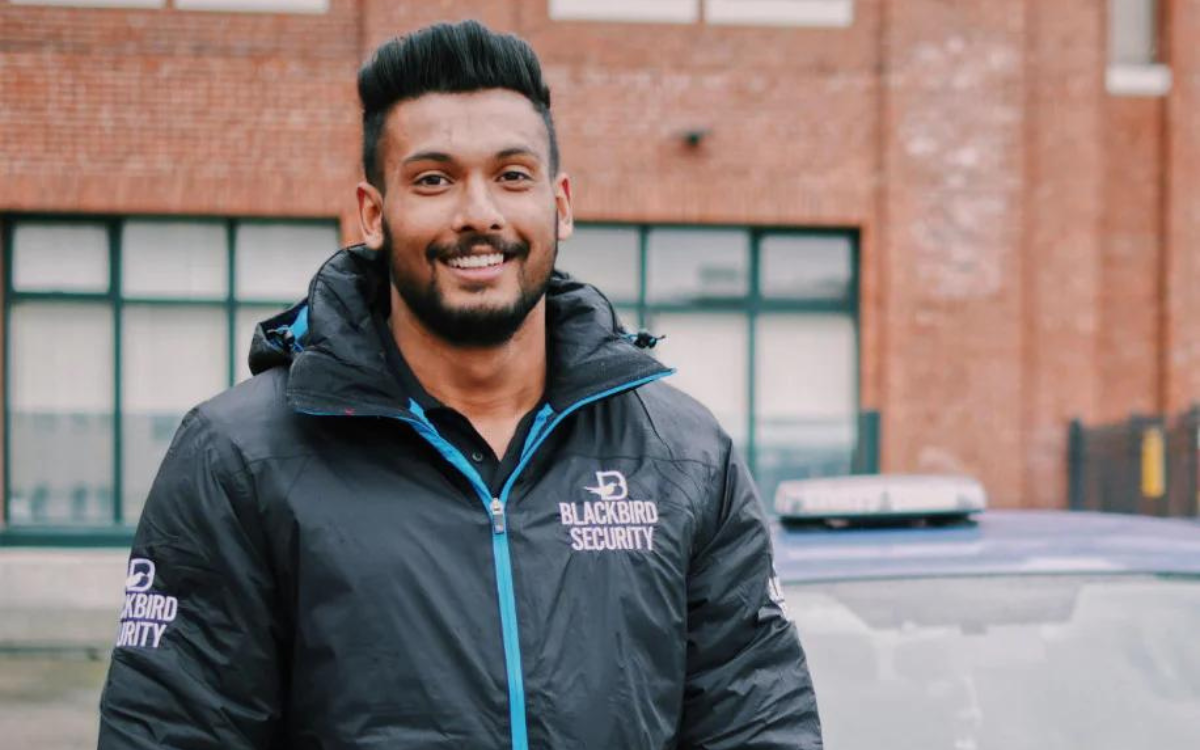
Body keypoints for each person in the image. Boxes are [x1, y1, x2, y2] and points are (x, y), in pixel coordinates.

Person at [98, 20, 822, 749]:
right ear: (375, 214)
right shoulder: (239, 458)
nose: (479, 214)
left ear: (559, 204)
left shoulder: (683, 456)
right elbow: (173, 732)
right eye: (434, 179)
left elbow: (758, 724)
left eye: (512, 175)